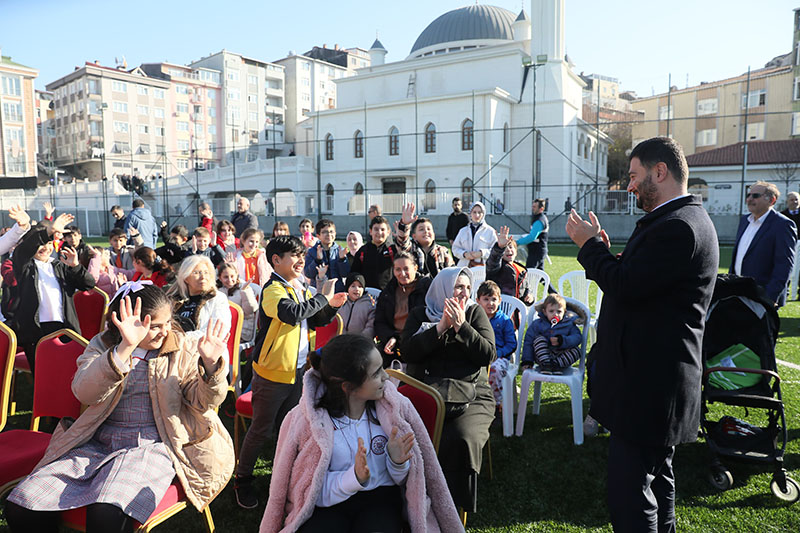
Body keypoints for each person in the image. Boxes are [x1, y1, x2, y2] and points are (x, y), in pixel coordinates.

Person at [566, 136, 719, 532]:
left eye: (634, 176)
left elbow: (626, 285)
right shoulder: (675, 221)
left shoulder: (679, 227)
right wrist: (603, 249)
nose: (630, 185)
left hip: (651, 387)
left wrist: (587, 248)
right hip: (652, 384)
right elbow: (643, 280)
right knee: (658, 482)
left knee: (629, 494)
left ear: (660, 171)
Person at [4, 283, 234, 533]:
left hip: (157, 444)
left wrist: (212, 368)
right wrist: (124, 349)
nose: (165, 331)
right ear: (126, 322)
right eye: (155, 326)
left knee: (107, 512)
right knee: (23, 504)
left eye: (168, 322)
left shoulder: (182, 348)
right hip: (98, 441)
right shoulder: (103, 345)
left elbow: (204, 402)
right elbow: (84, 392)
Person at [260, 334, 462, 532]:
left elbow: (406, 482)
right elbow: (308, 492)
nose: (386, 377)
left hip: (380, 501)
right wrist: (353, 478)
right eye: (376, 374)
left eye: (382, 367)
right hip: (328, 505)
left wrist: (397, 462)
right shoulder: (309, 422)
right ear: (348, 387)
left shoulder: (393, 413)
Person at [235, 236, 347, 510]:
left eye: (302, 255)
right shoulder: (272, 289)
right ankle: (243, 478)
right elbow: (292, 314)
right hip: (272, 375)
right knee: (261, 430)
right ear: (276, 260)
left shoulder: (300, 287)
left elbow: (316, 319)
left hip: (298, 372)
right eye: (294, 256)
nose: (301, 261)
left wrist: (331, 306)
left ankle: (285, 475)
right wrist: (321, 295)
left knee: (292, 428)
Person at [399, 267, 495, 517]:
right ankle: (410, 493)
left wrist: (462, 327)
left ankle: (453, 504)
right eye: (457, 287)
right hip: (425, 388)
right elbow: (407, 352)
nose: (463, 293)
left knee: (462, 437)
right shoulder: (421, 313)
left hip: (471, 392)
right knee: (404, 430)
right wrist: (440, 327)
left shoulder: (474, 312)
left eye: (466, 287)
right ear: (442, 289)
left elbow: (488, 354)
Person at [11, 214, 96, 374]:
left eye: (49, 243)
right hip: (36, 330)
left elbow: (88, 284)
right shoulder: (25, 266)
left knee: (67, 373)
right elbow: (23, 250)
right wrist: (48, 231)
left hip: (64, 328)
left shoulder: (60, 266)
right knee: (43, 375)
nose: (45, 247)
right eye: (41, 244)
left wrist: (76, 266)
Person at [730, 181, 797, 307]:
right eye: (748, 195)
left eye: (755, 196)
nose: (749, 199)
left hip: (762, 298)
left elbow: (784, 265)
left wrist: (770, 297)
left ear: (771, 200)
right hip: (738, 293)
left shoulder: (783, 225)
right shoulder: (745, 220)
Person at [374, 251, 431, 364]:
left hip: (418, 341)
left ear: (415, 268)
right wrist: (391, 337)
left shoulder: (427, 288)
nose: (402, 273)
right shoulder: (388, 291)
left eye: (406, 269)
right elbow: (380, 321)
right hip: (392, 341)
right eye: (398, 269)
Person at [171, 255, 232, 341]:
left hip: (204, 350)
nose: (203, 277)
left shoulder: (218, 299)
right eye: (196, 273)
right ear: (186, 278)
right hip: (173, 348)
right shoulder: (174, 300)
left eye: (206, 273)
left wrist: (181, 338)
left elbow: (217, 331)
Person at [476, 280, 517, 407]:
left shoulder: (504, 320)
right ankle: (474, 403)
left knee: (495, 370)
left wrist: (498, 353)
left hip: (499, 358)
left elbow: (511, 344)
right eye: (486, 299)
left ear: (499, 301)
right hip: (479, 355)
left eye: (494, 299)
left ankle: (496, 403)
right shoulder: (475, 319)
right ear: (478, 301)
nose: (490, 303)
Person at [520, 293, 582, 373]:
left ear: (565, 312)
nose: (555, 314)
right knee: (539, 339)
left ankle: (556, 365)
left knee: (577, 351)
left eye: (559, 311)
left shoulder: (569, 324)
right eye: (551, 311)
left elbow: (577, 337)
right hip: (543, 355)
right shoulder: (538, 324)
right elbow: (528, 341)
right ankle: (546, 364)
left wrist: (562, 340)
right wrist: (527, 360)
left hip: (561, 355)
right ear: (545, 312)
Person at [394, 203, 454, 278]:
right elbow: (402, 242)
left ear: (434, 235)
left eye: (429, 229)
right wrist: (405, 224)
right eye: (421, 229)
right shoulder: (410, 249)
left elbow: (452, 272)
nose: (426, 231)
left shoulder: (442, 251)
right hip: (416, 288)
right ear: (414, 236)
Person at [486, 225, 536, 305]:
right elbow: (493, 260)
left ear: (516, 251)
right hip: (499, 308)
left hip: (516, 310)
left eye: (510, 247)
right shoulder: (497, 266)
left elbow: (525, 289)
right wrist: (500, 247)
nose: (508, 250)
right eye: (505, 248)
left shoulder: (521, 269)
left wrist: (529, 296)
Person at [349, 215, 400, 290]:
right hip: (367, 294)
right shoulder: (362, 251)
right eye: (376, 229)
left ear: (388, 232)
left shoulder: (393, 249)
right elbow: (354, 273)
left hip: (389, 293)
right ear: (370, 231)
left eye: (382, 229)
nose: (379, 232)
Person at [304, 219, 351, 292]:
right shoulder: (312, 251)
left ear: (335, 234)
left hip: (337, 290)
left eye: (331, 231)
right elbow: (308, 273)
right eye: (324, 232)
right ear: (318, 236)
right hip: (319, 291)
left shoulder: (339, 250)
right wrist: (318, 260)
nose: (329, 234)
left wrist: (342, 259)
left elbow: (345, 273)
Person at [218, 262, 259, 343]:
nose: (229, 280)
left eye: (232, 276)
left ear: (237, 275)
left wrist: (245, 292)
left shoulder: (245, 288)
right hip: (224, 329)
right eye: (225, 277)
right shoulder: (219, 291)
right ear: (220, 278)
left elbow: (251, 310)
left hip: (241, 329)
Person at [451, 201, 497, 267]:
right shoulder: (463, 231)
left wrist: (481, 253)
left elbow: (495, 251)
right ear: (470, 213)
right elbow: (455, 248)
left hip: (483, 269)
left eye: (479, 212)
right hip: (464, 268)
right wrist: (464, 254)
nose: (477, 215)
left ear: (483, 214)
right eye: (474, 212)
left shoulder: (490, 231)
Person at [336, 272, 375, 339]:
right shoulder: (341, 302)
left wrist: (360, 340)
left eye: (360, 286)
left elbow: (371, 327)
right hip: (342, 341)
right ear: (347, 288)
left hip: (362, 342)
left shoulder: (369, 304)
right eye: (353, 286)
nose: (357, 289)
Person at [516, 199, 549, 270]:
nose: (532, 208)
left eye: (534, 207)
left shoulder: (539, 221)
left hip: (537, 251)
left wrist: (517, 242)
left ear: (541, 209)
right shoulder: (539, 218)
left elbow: (532, 237)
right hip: (538, 250)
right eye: (532, 206)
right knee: (541, 276)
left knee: (530, 273)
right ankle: (547, 282)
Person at [781, 191, 800, 300]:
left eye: (796, 199)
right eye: (792, 200)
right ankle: (785, 292)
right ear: (787, 201)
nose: (795, 202)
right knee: (787, 268)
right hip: (787, 245)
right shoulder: (782, 216)